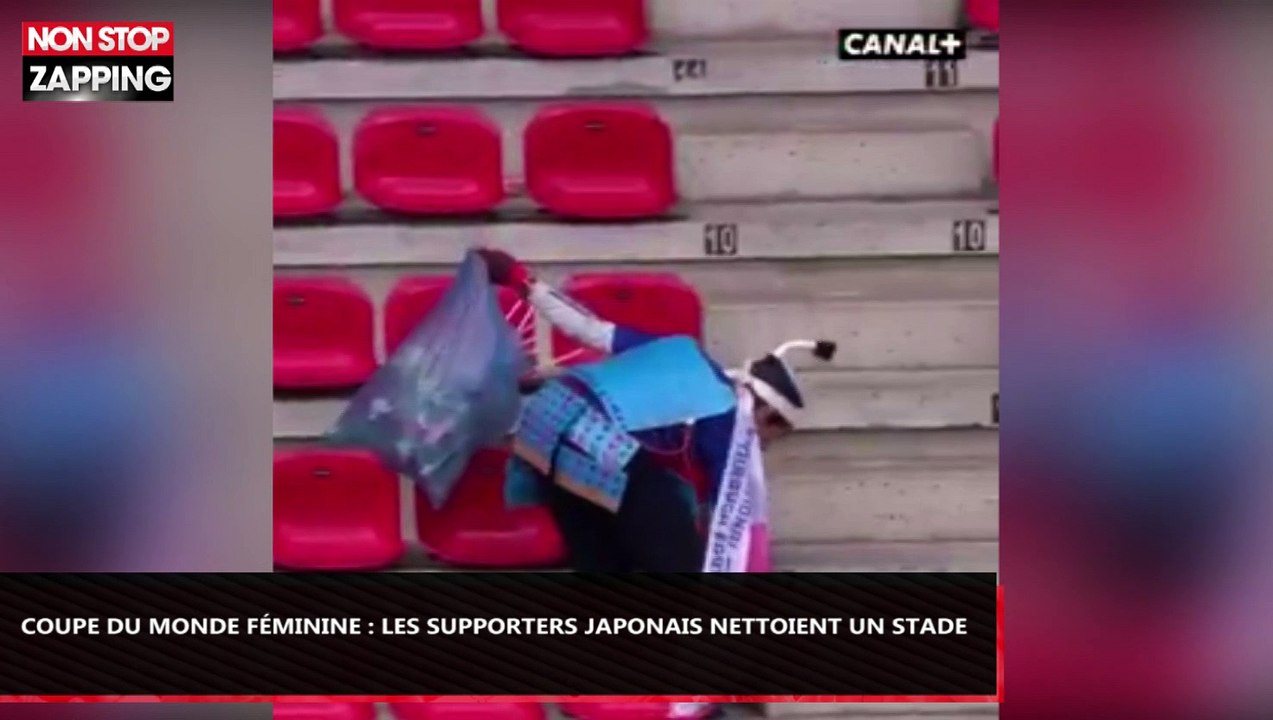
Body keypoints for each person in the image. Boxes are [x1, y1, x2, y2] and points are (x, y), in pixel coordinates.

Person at [477, 248, 836, 573]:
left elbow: (588, 328)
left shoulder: (683, 350)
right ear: (767, 413)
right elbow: (726, 518)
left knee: (601, 553)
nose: (765, 445)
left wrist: (523, 282)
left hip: (543, 421)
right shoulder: (726, 416)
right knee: (676, 556)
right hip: (590, 438)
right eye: (773, 435)